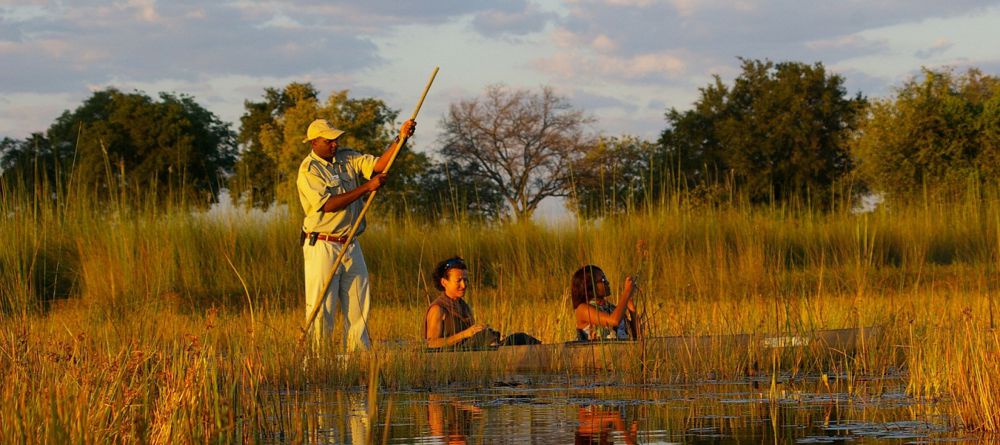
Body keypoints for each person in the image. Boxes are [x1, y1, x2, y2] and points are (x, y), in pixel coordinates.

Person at [299, 117, 415, 355]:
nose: (334, 144)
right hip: (322, 244)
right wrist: (366, 188)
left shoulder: (347, 157)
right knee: (323, 309)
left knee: (359, 305)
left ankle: (357, 360)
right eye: (328, 140)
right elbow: (328, 205)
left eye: (336, 139)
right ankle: (318, 363)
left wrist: (400, 138)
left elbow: (380, 166)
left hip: (351, 243)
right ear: (313, 143)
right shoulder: (308, 170)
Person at [425, 257, 540, 350]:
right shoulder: (438, 309)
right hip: (455, 357)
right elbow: (431, 343)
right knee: (485, 336)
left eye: (465, 280)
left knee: (520, 338)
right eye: (458, 281)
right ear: (444, 282)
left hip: (472, 350)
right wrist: (466, 334)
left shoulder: (465, 306)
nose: (464, 285)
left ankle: (546, 353)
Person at [571, 265, 640, 341]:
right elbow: (614, 321)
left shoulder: (612, 308)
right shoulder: (583, 309)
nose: (607, 282)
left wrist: (630, 305)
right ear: (590, 285)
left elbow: (636, 336)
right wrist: (626, 293)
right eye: (603, 280)